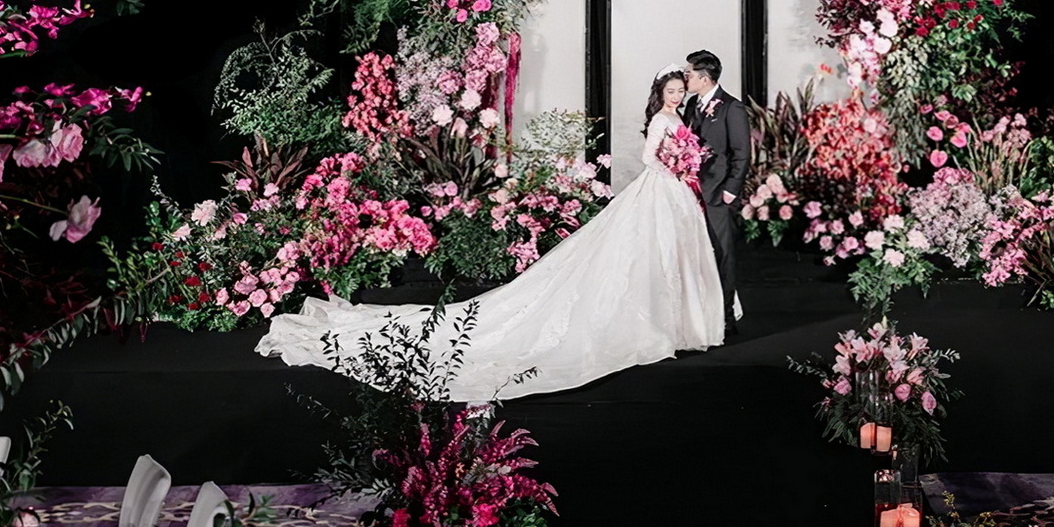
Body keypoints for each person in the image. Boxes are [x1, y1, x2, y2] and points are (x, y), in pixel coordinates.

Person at [255, 64, 724, 401]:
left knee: (664, 255)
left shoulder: (680, 118)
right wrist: (675, 166)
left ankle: (676, 322)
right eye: (670, 91)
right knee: (643, 253)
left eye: (679, 91)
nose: (675, 96)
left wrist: (685, 167)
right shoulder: (661, 120)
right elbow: (647, 158)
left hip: (675, 192)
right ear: (660, 92)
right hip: (661, 187)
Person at [682, 50, 750, 334]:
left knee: (722, 253)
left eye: (688, 74)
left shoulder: (732, 107)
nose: (685, 78)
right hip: (691, 190)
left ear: (704, 78)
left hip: (718, 193)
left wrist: (731, 189)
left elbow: (742, 152)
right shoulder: (691, 105)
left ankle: (726, 316)